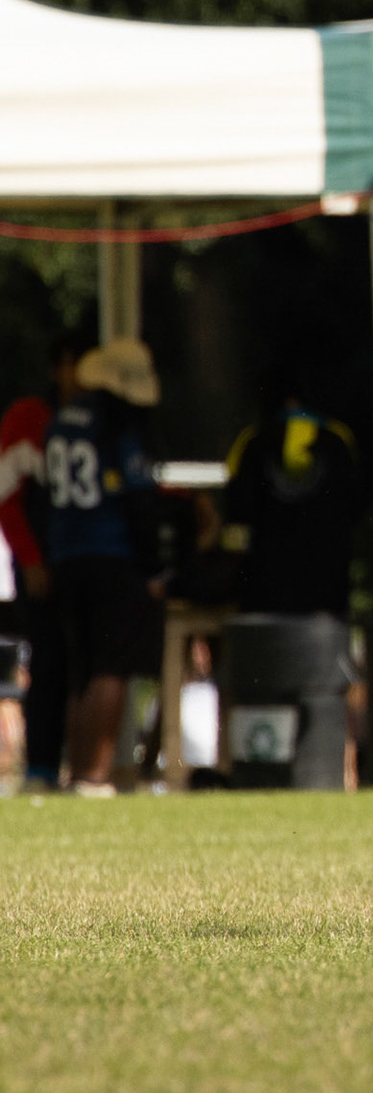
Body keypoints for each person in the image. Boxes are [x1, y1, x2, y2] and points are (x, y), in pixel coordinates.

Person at [44, 340, 164, 796]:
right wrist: (153, 569)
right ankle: (95, 775)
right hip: (111, 556)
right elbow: (139, 500)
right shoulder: (117, 426)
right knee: (110, 668)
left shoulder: (61, 420)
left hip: (66, 556)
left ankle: (77, 772)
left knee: (81, 671)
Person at [0, 331, 86, 788]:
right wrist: (31, 559)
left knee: (85, 666)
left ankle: (87, 770)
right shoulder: (29, 419)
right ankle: (41, 769)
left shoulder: (105, 422)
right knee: (49, 662)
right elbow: (7, 498)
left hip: (84, 564)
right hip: (43, 566)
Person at [221, 382, 364, 616]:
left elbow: (237, 511)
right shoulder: (339, 440)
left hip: (266, 587)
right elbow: (356, 508)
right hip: (327, 585)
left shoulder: (252, 441)